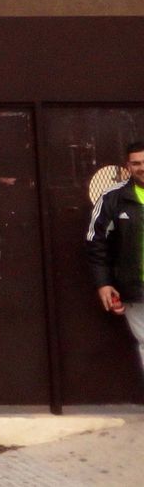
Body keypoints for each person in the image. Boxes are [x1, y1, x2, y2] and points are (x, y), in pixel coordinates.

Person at [86, 141, 144, 372]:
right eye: (136, 163)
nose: (142, 167)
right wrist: (104, 283)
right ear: (127, 166)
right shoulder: (113, 198)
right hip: (136, 288)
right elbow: (96, 241)